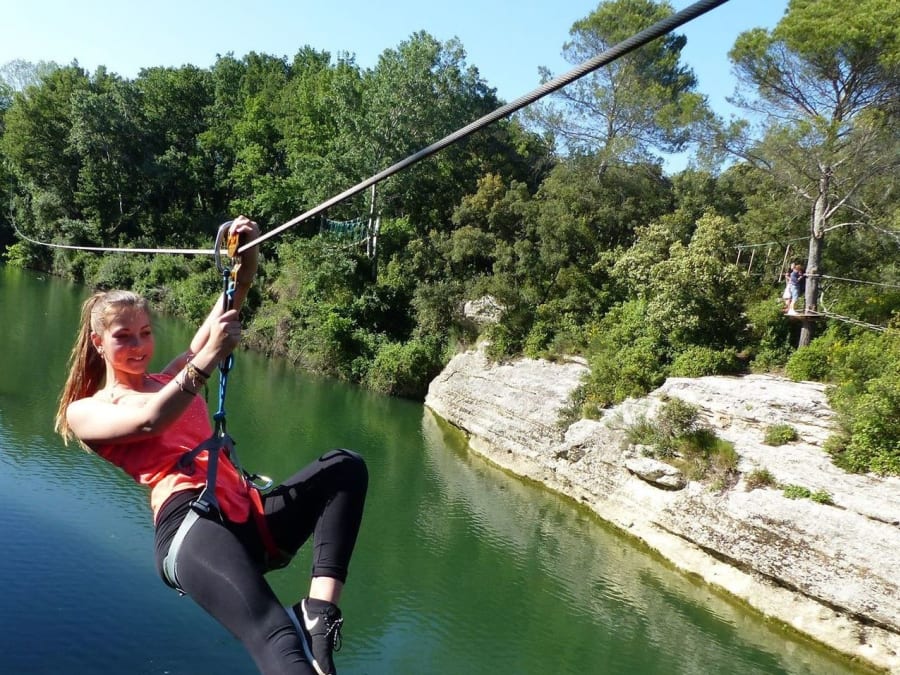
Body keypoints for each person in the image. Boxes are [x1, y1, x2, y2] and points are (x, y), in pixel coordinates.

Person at [54, 216, 368, 675]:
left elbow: (227, 308)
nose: (139, 345)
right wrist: (205, 359)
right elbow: (149, 420)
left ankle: (320, 613)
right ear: (99, 343)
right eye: (124, 336)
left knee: (345, 467)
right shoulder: (87, 410)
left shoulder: (170, 377)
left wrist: (247, 258)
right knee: (273, 633)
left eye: (145, 332)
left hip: (245, 509)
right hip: (189, 523)